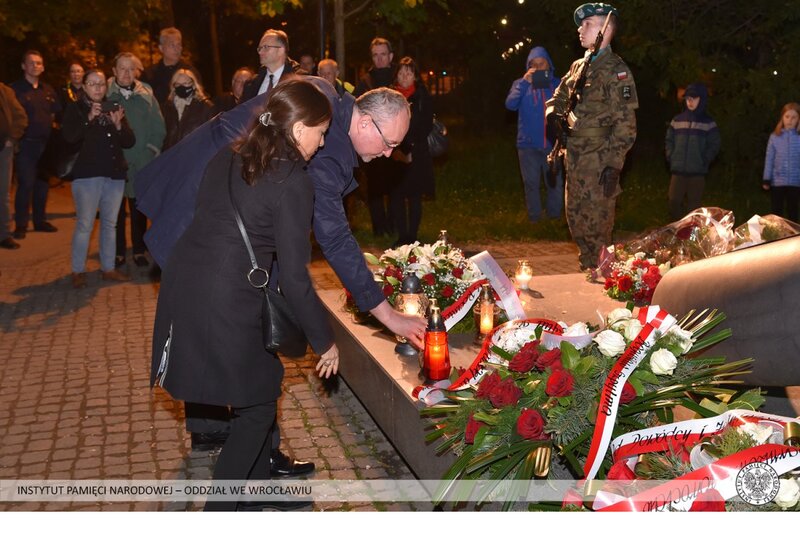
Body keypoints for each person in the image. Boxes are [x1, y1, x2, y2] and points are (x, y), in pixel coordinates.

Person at [150, 80, 339, 511]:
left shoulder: (228, 154)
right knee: (256, 408)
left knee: (257, 388)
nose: (324, 142)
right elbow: (295, 278)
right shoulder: (294, 182)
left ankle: (256, 493)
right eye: (321, 132)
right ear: (299, 129)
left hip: (186, 281)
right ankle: (221, 510)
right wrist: (325, 341)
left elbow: (207, 218)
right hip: (226, 296)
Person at [546, 3, 637, 270]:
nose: (580, 29)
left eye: (587, 24)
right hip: (575, 156)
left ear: (604, 30)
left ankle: (604, 275)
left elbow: (626, 125)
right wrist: (553, 115)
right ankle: (587, 271)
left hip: (599, 160)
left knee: (598, 226)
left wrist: (614, 164)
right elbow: (559, 97)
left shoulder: (616, 71)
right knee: (576, 220)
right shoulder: (579, 66)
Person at [61, 69, 135, 288]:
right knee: (85, 224)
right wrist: (89, 119)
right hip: (87, 175)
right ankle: (78, 271)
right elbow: (69, 138)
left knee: (110, 224)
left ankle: (108, 268)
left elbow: (129, 141)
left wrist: (119, 125)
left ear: (106, 86)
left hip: (114, 174)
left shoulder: (112, 107)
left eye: (101, 84)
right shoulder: (76, 109)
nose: (97, 88)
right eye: (92, 83)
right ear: (84, 86)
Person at [107, 52, 166, 269]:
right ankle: (118, 252)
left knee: (138, 210)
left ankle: (139, 250)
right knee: (115, 211)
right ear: (114, 71)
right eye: (122, 68)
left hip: (142, 161)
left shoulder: (146, 93)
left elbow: (158, 126)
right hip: (115, 163)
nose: (127, 73)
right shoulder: (106, 95)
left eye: (131, 69)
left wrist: (150, 151)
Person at [506, 46, 562, 223]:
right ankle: (534, 218)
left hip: (552, 144)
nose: (538, 68)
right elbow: (510, 105)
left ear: (549, 65)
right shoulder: (520, 84)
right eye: (534, 65)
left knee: (555, 183)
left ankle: (554, 217)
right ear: (528, 66)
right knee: (531, 184)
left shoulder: (557, 84)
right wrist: (524, 83)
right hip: (527, 144)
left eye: (541, 64)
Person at [11, 50, 62, 239]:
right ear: (23, 66)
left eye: (39, 63)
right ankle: (21, 224)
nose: (35, 66)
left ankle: (40, 221)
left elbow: (54, 114)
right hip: (25, 145)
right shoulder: (14, 90)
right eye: (31, 63)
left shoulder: (47, 90)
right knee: (26, 184)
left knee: (42, 185)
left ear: (43, 67)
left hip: (45, 146)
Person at [388, 56, 434, 245]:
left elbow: (426, 124)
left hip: (417, 152)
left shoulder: (422, 95)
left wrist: (411, 146)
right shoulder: (390, 96)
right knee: (397, 195)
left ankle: (412, 236)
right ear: (396, 75)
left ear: (415, 75)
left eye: (409, 72)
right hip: (395, 152)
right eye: (401, 73)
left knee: (415, 196)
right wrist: (397, 148)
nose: (405, 76)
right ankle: (402, 237)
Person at [354, 37, 396, 237]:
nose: (379, 59)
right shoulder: (366, 81)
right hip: (373, 143)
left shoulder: (399, 77)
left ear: (391, 56)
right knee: (375, 187)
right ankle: (379, 229)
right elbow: (356, 107)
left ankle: (395, 226)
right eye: (375, 55)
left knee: (396, 185)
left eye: (383, 54)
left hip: (397, 143)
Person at [665, 82, 721, 220]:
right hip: (678, 170)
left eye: (694, 98)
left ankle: (690, 230)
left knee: (694, 207)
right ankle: (677, 228)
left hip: (697, 172)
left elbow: (714, 144)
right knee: (673, 201)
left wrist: (704, 159)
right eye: (688, 98)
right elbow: (669, 140)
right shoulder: (677, 120)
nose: (690, 101)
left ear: (701, 99)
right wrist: (671, 155)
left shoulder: (708, 123)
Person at [0, 82, 28, 250]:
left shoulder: (5, 91)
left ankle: (4, 235)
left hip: (3, 151)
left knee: (2, 194)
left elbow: (21, 117)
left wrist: (12, 139)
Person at [141, 27, 200, 105]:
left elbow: (199, 98)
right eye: (172, 45)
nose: (176, 49)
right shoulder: (149, 75)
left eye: (179, 44)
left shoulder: (190, 73)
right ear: (161, 48)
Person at [762, 102, 800, 222]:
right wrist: (766, 178)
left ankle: (793, 232)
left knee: (793, 211)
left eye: (794, 117)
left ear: (798, 119)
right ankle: (776, 232)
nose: (790, 120)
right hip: (777, 181)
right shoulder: (775, 137)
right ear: (782, 118)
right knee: (776, 212)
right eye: (787, 116)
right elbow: (769, 158)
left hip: (795, 181)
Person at [241, 29, 304, 101]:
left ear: (281, 50)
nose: (260, 52)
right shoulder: (251, 84)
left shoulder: (300, 80)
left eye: (266, 47)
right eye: (259, 48)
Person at [161, 69, 215, 152]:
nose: (181, 87)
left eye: (185, 83)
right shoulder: (167, 108)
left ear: (193, 84)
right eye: (178, 84)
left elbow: (212, 136)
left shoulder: (205, 107)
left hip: (195, 154)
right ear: (173, 86)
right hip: (172, 155)